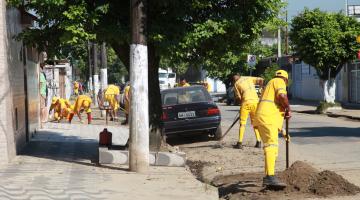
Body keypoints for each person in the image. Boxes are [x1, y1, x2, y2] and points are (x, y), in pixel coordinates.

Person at [253, 70, 291, 189]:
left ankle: (268, 177)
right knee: (271, 146)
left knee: (271, 148)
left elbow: (275, 106)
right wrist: (288, 108)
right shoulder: (280, 81)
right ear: (286, 79)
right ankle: (270, 177)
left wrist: (283, 131)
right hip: (266, 118)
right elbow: (282, 96)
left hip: (263, 118)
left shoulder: (270, 83)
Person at [233, 74, 264, 149]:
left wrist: (241, 105)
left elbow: (238, 98)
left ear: (234, 80)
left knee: (242, 123)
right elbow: (261, 80)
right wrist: (260, 89)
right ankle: (258, 142)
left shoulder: (236, 84)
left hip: (246, 103)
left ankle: (239, 143)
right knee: (255, 123)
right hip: (255, 102)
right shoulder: (248, 78)